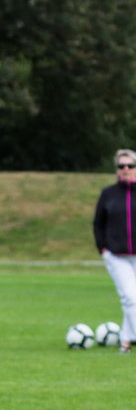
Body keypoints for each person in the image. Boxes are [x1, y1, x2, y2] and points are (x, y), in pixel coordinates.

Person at [92, 147, 136, 354]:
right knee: (130, 296)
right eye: (121, 166)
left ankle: (126, 341)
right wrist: (103, 248)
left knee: (131, 299)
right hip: (117, 256)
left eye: (130, 165)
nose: (126, 169)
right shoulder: (108, 194)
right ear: (117, 169)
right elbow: (98, 223)